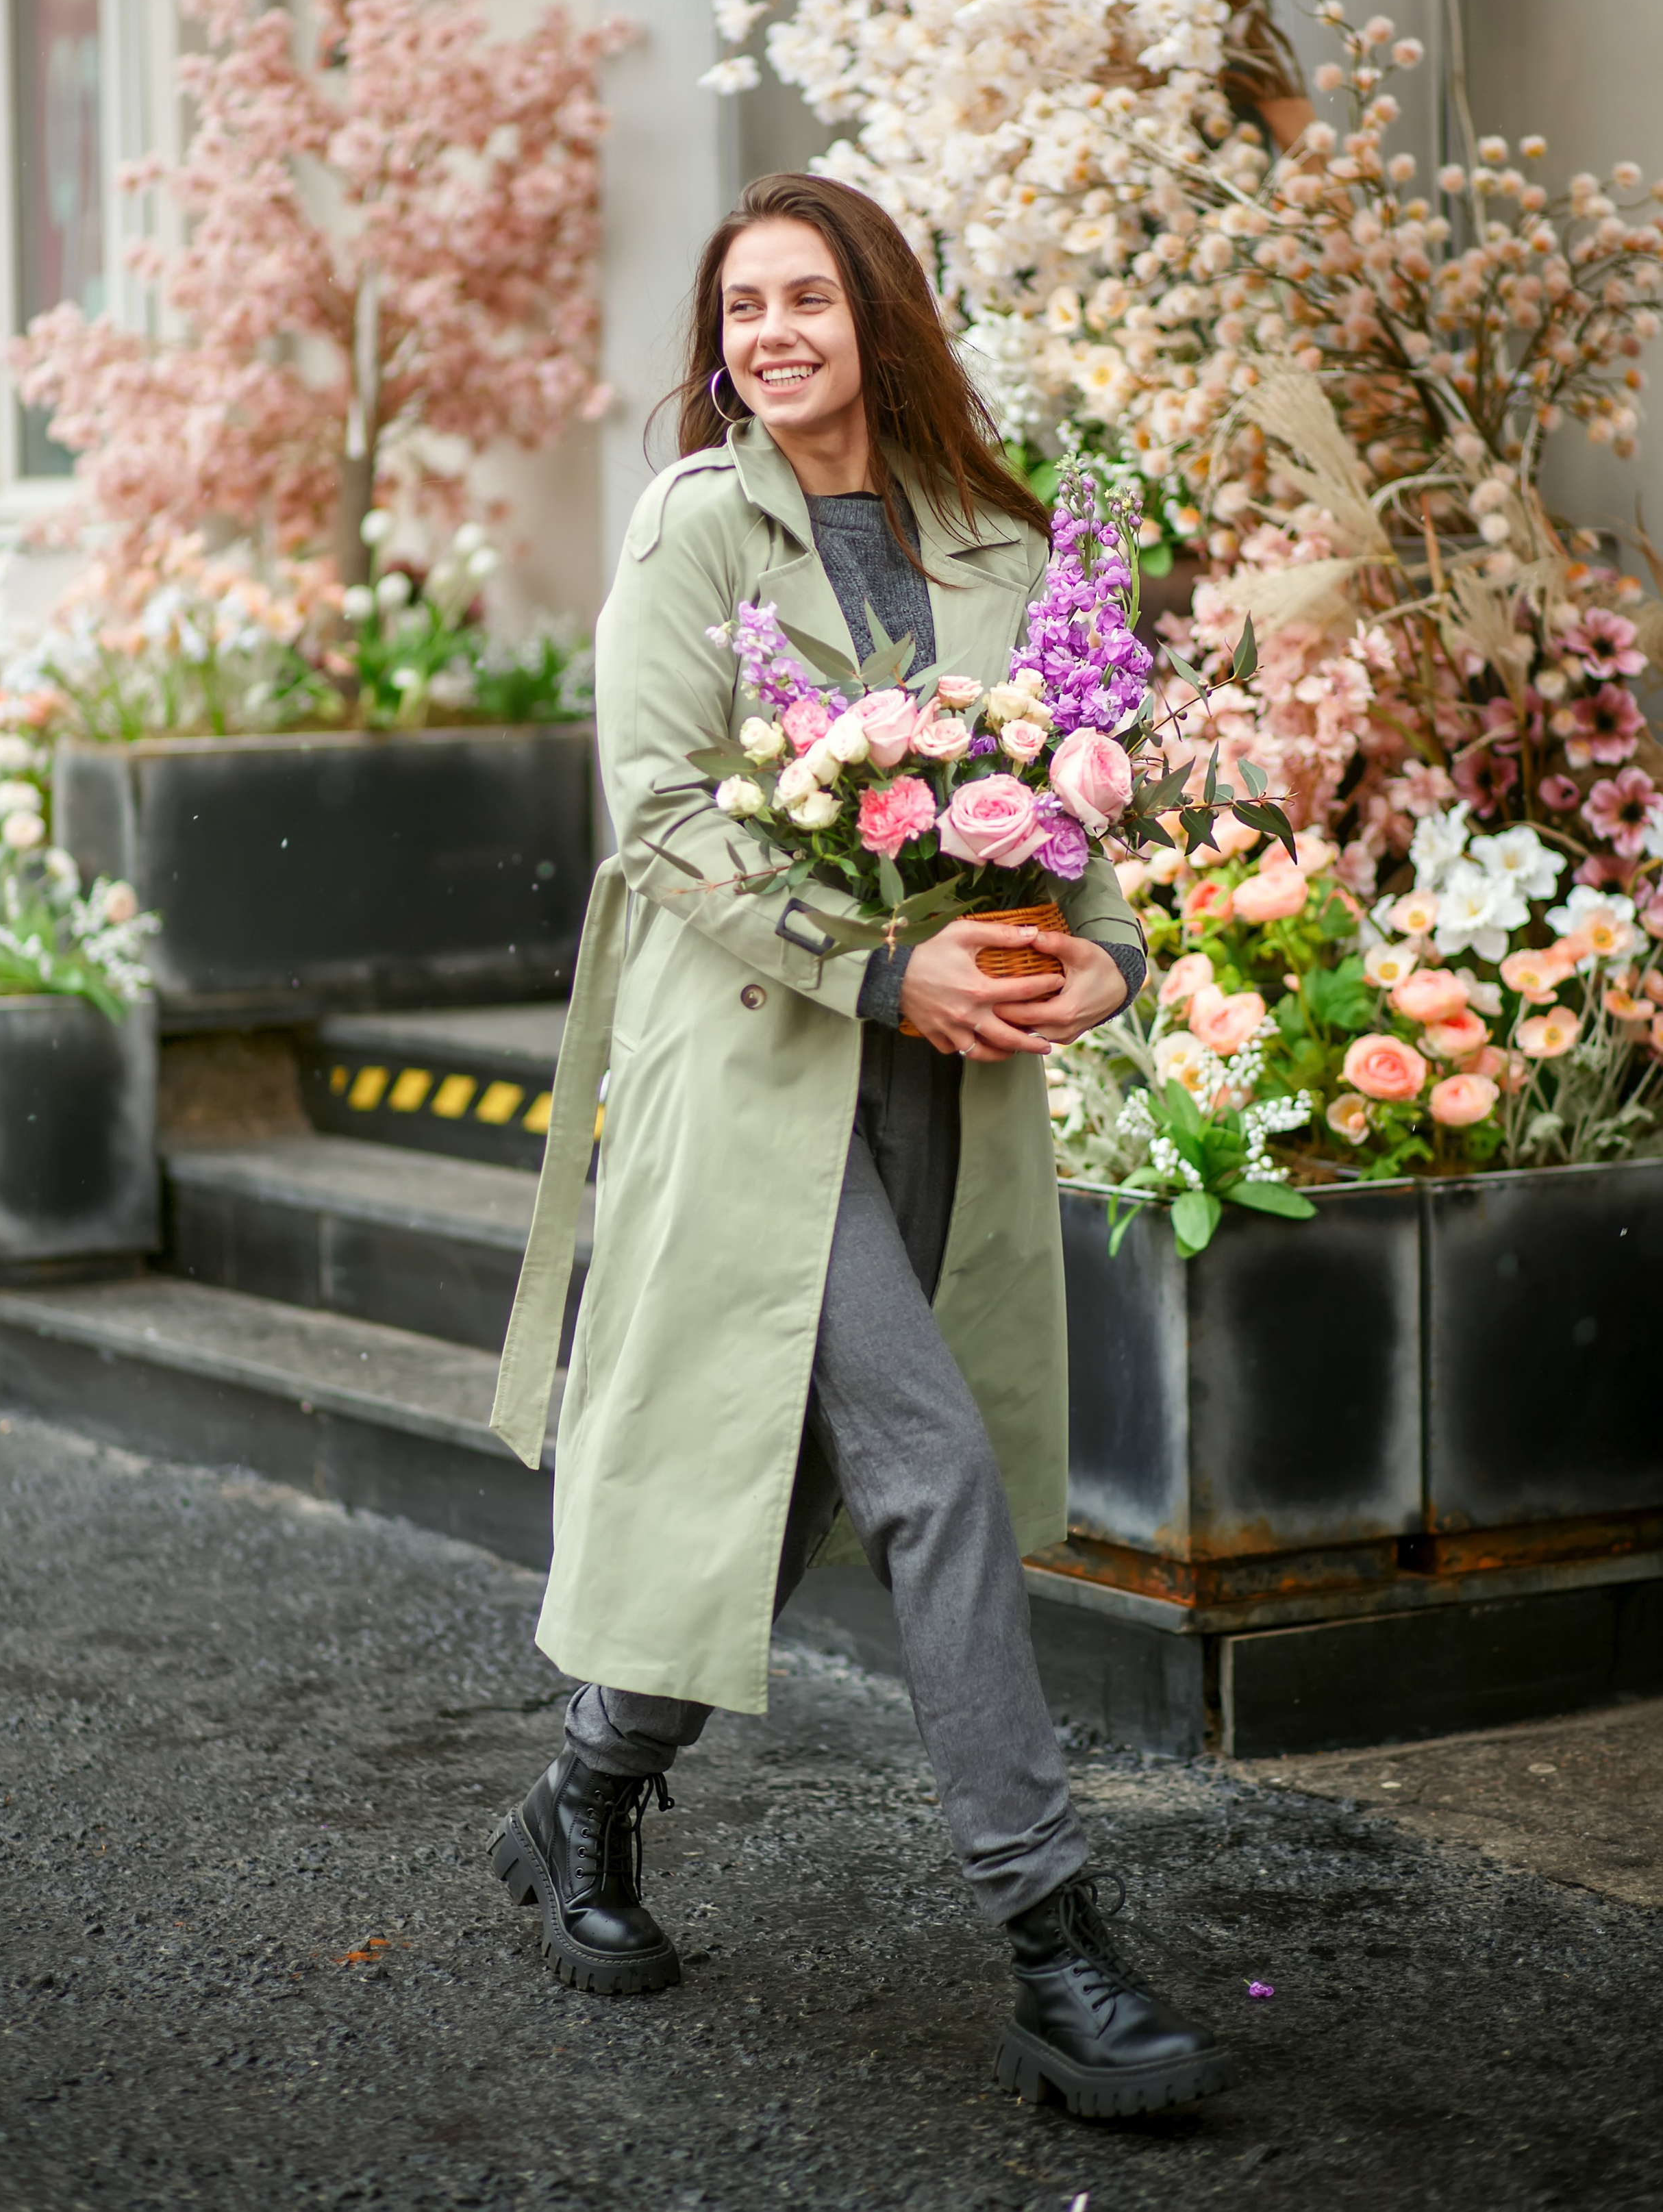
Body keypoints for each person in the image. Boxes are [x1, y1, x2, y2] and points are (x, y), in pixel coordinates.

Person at [488, 173, 1231, 2119]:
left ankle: (582, 1792)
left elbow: (1079, 784)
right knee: (931, 1463)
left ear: (879, 312)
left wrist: (1110, 959)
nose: (773, 333)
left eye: (809, 295)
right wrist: (875, 971)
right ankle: (1056, 1943)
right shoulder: (689, 526)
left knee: (808, 1470)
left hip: (947, 1067)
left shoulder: (996, 535)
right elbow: (661, 812)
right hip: (757, 1070)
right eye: (743, 305)